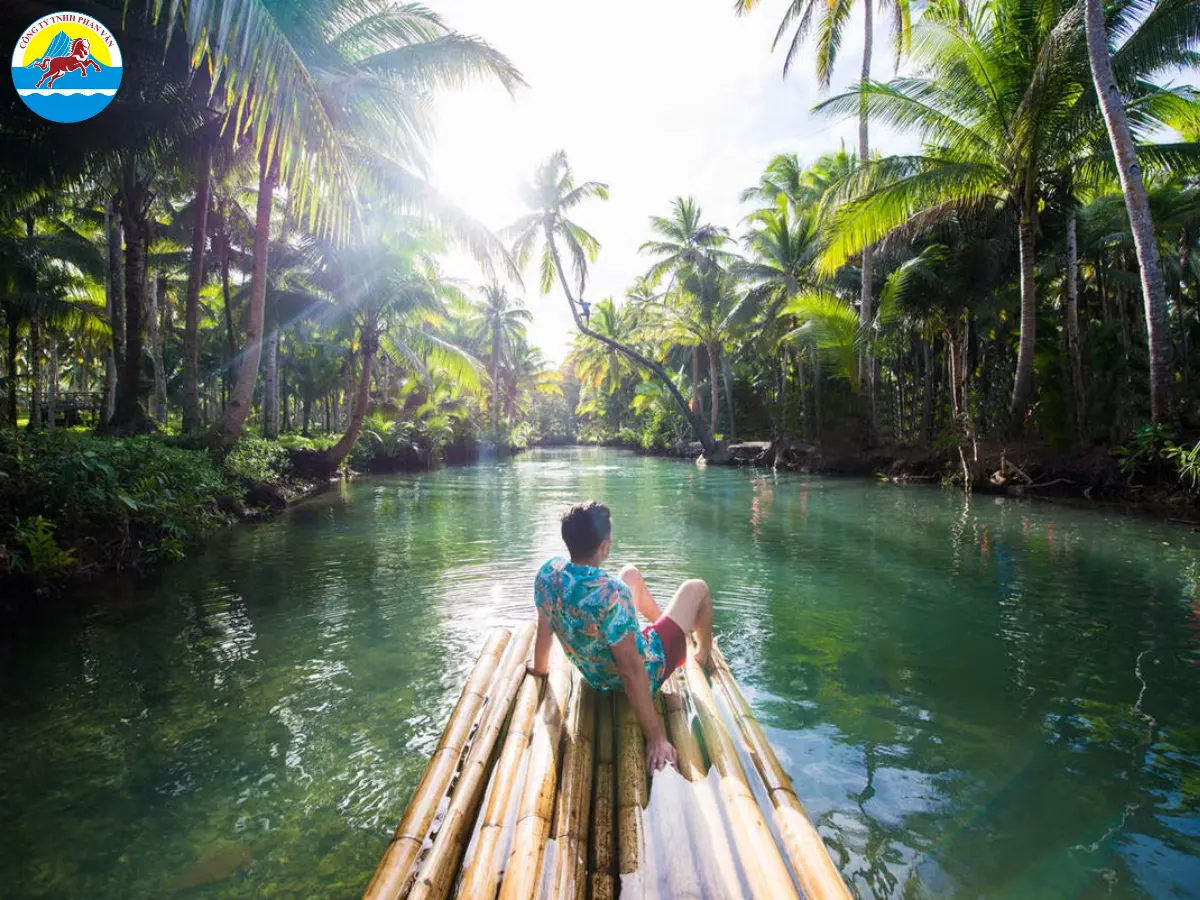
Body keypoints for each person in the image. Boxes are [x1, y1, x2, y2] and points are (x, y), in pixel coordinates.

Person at [528, 500, 714, 772]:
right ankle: (702, 653)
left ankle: (668, 626)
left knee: (631, 574)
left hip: (594, 672)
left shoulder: (548, 574)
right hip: (638, 672)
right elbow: (632, 672)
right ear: (604, 546)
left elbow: (544, 624)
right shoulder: (612, 594)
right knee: (697, 588)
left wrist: (540, 668)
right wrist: (657, 738)